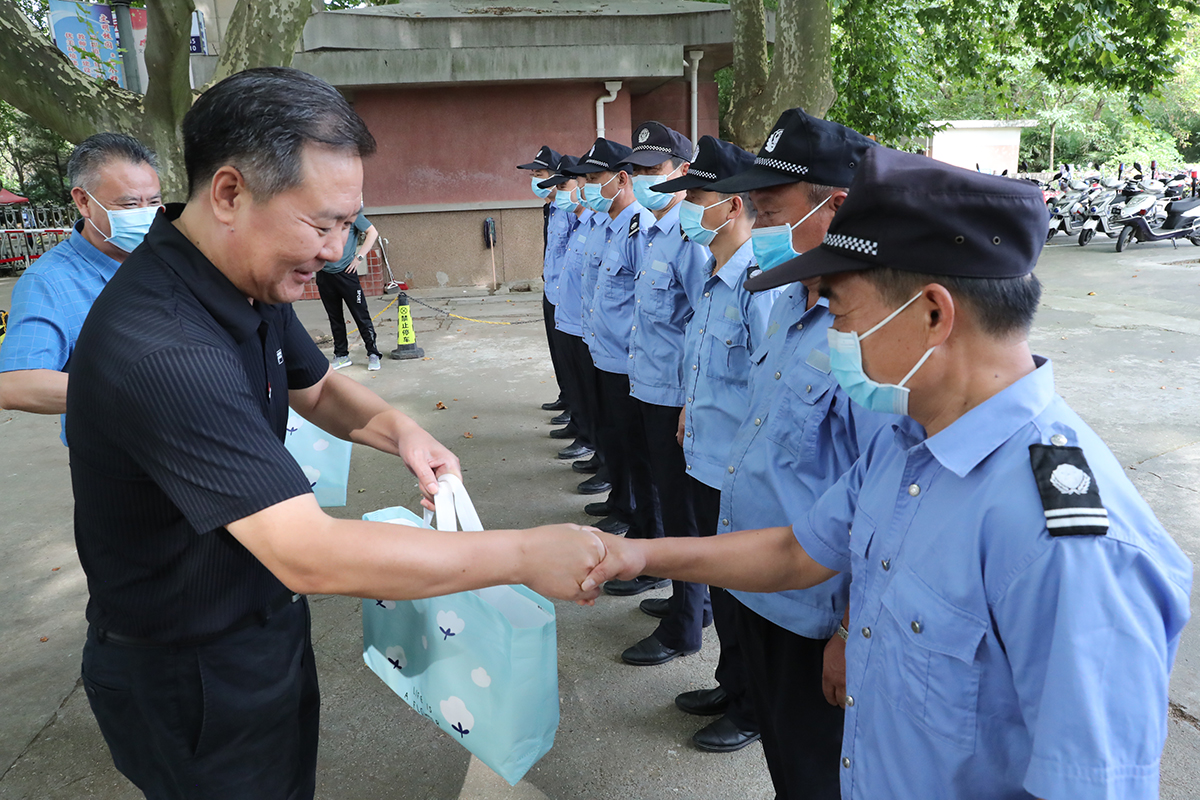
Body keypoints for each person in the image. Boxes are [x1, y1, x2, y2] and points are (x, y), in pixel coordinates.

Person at [586, 146, 1193, 800]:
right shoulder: (911, 442)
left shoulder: (1070, 546)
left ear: (933, 313)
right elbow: (798, 550)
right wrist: (630, 553)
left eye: (841, 312)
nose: (833, 332)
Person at [66, 67, 606, 800]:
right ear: (229, 193)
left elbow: (314, 387)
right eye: (319, 223)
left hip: (257, 623)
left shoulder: (244, 276)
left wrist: (398, 430)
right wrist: (520, 554)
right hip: (187, 668)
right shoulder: (161, 347)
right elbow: (310, 554)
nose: (336, 248)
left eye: (347, 223)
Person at [700, 108, 889, 797]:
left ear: (834, 207)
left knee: (818, 773)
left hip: (814, 614)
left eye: (769, 208)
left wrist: (849, 631)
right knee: (784, 760)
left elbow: (883, 502)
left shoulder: (867, 332)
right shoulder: (788, 298)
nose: (759, 223)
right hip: (755, 584)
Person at [0, 133, 161, 437]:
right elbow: (16, 383)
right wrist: (146, 393)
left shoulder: (168, 257)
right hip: (117, 463)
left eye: (153, 202)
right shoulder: (49, 282)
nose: (146, 214)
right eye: (129, 204)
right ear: (84, 201)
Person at [518, 145, 571, 416]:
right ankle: (566, 395)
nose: (535, 180)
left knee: (570, 354)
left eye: (539, 173)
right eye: (533, 175)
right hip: (550, 288)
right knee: (557, 350)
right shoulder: (549, 208)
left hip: (568, 294)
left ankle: (576, 406)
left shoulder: (570, 209)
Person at [315, 207, 382, 371]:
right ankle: (341, 355)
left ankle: (373, 353)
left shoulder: (351, 213)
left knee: (361, 315)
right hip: (324, 274)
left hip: (347, 273)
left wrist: (359, 258)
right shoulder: (319, 212)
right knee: (334, 317)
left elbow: (372, 232)